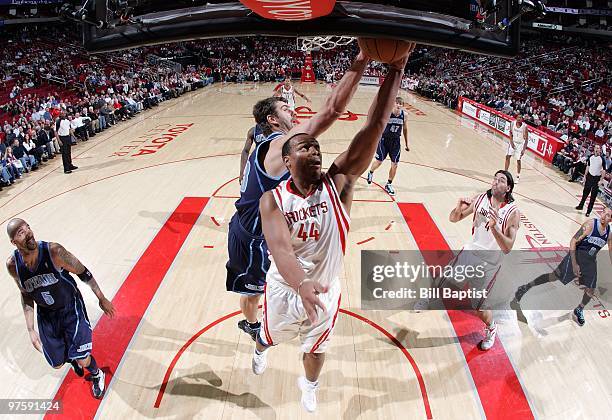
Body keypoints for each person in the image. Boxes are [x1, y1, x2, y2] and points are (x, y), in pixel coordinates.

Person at [252, 44, 414, 412]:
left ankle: (309, 383)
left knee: (316, 348)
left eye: (317, 147)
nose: (315, 149)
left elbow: (374, 125)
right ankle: (260, 345)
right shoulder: (273, 200)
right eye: (306, 146)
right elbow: (279, 249)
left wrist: (397, 70)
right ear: (287, 159)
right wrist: (300, 282)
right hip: (284, 287)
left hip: (325, 290)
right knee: (270, 337)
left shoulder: (338, 184)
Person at [227, 48, 371, 343]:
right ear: (273, 119)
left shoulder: (275, 144)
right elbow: (330, 111)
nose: (292, 110)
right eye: (284, 109)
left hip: (246, 225)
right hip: (254, 236)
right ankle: (254, 327)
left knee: (255, 290)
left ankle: (256, 322)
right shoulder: (279, 144)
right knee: (254, 294)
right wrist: (362, 59)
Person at [5, 219, 116, 398]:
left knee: (82, 358)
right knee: (56, 364)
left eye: (28, 227)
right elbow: (25, 294)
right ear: (14, 242)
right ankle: (70, 357)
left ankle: (96, 373)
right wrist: (31, 329)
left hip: (70, 308)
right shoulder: (13, 266)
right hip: (46, 314)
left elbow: (83, 272)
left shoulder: (54, 251)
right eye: (21, 232)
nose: (28, 232)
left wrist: (101, 298)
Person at [417, 171, 519, 350]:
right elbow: (453, 218)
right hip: (470, 253)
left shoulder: (512, 212)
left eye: (501, 180)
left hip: (490, 264)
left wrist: (495, 229)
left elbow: (508, 248)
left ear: (508, 188)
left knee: (478, 306)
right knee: (443, 280)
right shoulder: (480, 199)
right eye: (495, 178)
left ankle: (491, 328)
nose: (495, 182)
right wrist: (458, 208)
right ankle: (427, 298)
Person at [514, 207, 611, 326]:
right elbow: (573, 241)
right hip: (575, 257)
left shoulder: (609, 233)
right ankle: (525, 287)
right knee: (553, 277)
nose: (603, 216)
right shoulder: (590, 224)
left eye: (607, 215)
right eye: (603, 212)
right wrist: (574, 264)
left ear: (611, 219)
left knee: (590, 290)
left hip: (589, 262)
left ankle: (579, 309)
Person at [366, 96, 409, 195]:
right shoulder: (387, 114)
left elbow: (405, 129)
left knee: (395, 164)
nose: (399, 105)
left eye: (401, 104)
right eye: (397, 103)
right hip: (384, 140)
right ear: (393, 104)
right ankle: (371, 172)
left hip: (396, 142)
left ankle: (389, 184)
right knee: (379, 161)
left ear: (402, 106)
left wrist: (407, 143)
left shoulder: (405, 115)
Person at [576, 145, 608, 217]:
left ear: (600, 150)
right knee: (585, 193)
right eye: (596, 148)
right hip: (589, 177)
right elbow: (588, 166)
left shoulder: (602, 159)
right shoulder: (591, 157)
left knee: (593, 196)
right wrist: (585, 176)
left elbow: (603, 171)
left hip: (596, 179)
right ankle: (581, 206)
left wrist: (601, 180)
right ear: (594, 149)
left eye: (599, 148)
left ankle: (588, 211)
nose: (597, 149)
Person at [504, 114, 528, 183]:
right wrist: (511, 142)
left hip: (520, 144)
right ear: (516, 118)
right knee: (507, 156)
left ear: (522, 119)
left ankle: (518, 176)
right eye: (518, 117)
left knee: (518, 160)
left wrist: (523, 149)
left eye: (521, 118)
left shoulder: (525, 126)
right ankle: (505, 173)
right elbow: (510, 133)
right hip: (513, 142)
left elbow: (526, 139)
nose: (519, 119)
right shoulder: (512, 123)